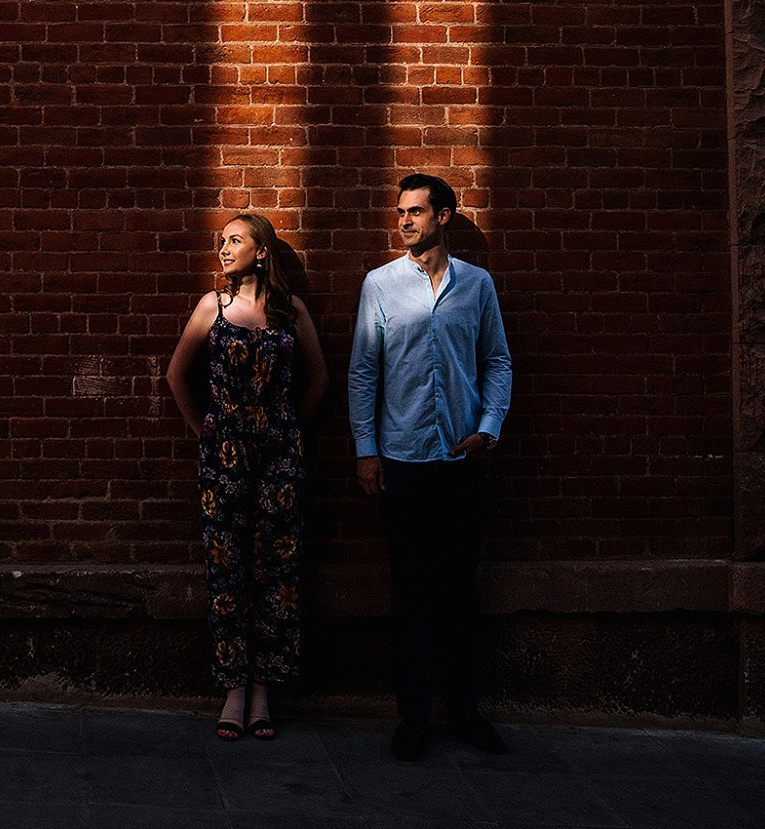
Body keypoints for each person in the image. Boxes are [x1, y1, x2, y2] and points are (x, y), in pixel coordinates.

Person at [348, 173, 514, 759]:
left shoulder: (478, 286)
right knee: (410, 593)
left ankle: (465, 712)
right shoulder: (380, 285)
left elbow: (497, 360)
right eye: (401, 213)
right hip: (404, 462)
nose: (405, 222)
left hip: (461, 463)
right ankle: (414, 717)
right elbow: (364, 371)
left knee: (460, 593)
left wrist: (489, 428)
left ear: (444, 216)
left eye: (416, 212)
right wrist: (366, 450)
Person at [165, 212, 329, 741]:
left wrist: (286, 430)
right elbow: (176, 374)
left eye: (235, 240)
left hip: (280, 458)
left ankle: (264, 687)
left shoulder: (290, 310)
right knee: (227, 569)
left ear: (261, 251)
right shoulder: (211, 307)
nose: (223, 248)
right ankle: (233, 687)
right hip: (224, 458)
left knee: (278, 571)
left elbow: (319, 378)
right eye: (221, 241)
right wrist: (204, 431)